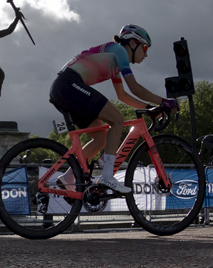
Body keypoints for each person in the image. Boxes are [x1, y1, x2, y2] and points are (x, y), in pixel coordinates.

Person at [48, 24, 176, 193]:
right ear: (132, 42)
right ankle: (108, 177)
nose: (146, 54)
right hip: (69, 85)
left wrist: (149, 108)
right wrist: (164, 102)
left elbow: (122, 95)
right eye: (145, 48)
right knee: (117, 119)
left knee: (101, 138)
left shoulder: (113, 61)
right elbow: (135, 88)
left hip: (64, 88)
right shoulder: (119, 51)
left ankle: (68, 176)